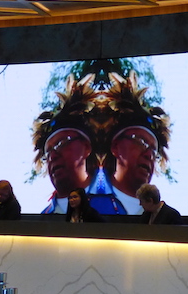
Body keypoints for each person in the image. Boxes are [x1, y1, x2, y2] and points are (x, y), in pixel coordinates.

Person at [87, 71, 170, 216]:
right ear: (115, 146)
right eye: (141, 141)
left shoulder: (162, 214)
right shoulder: (89, 202)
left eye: (154, 150)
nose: (149, 154)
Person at [32, 75, 98, 214]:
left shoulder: (111, 204)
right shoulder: (45, 216)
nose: (53, 156)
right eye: (48, 152)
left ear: (87, 147)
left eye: (61, 143)